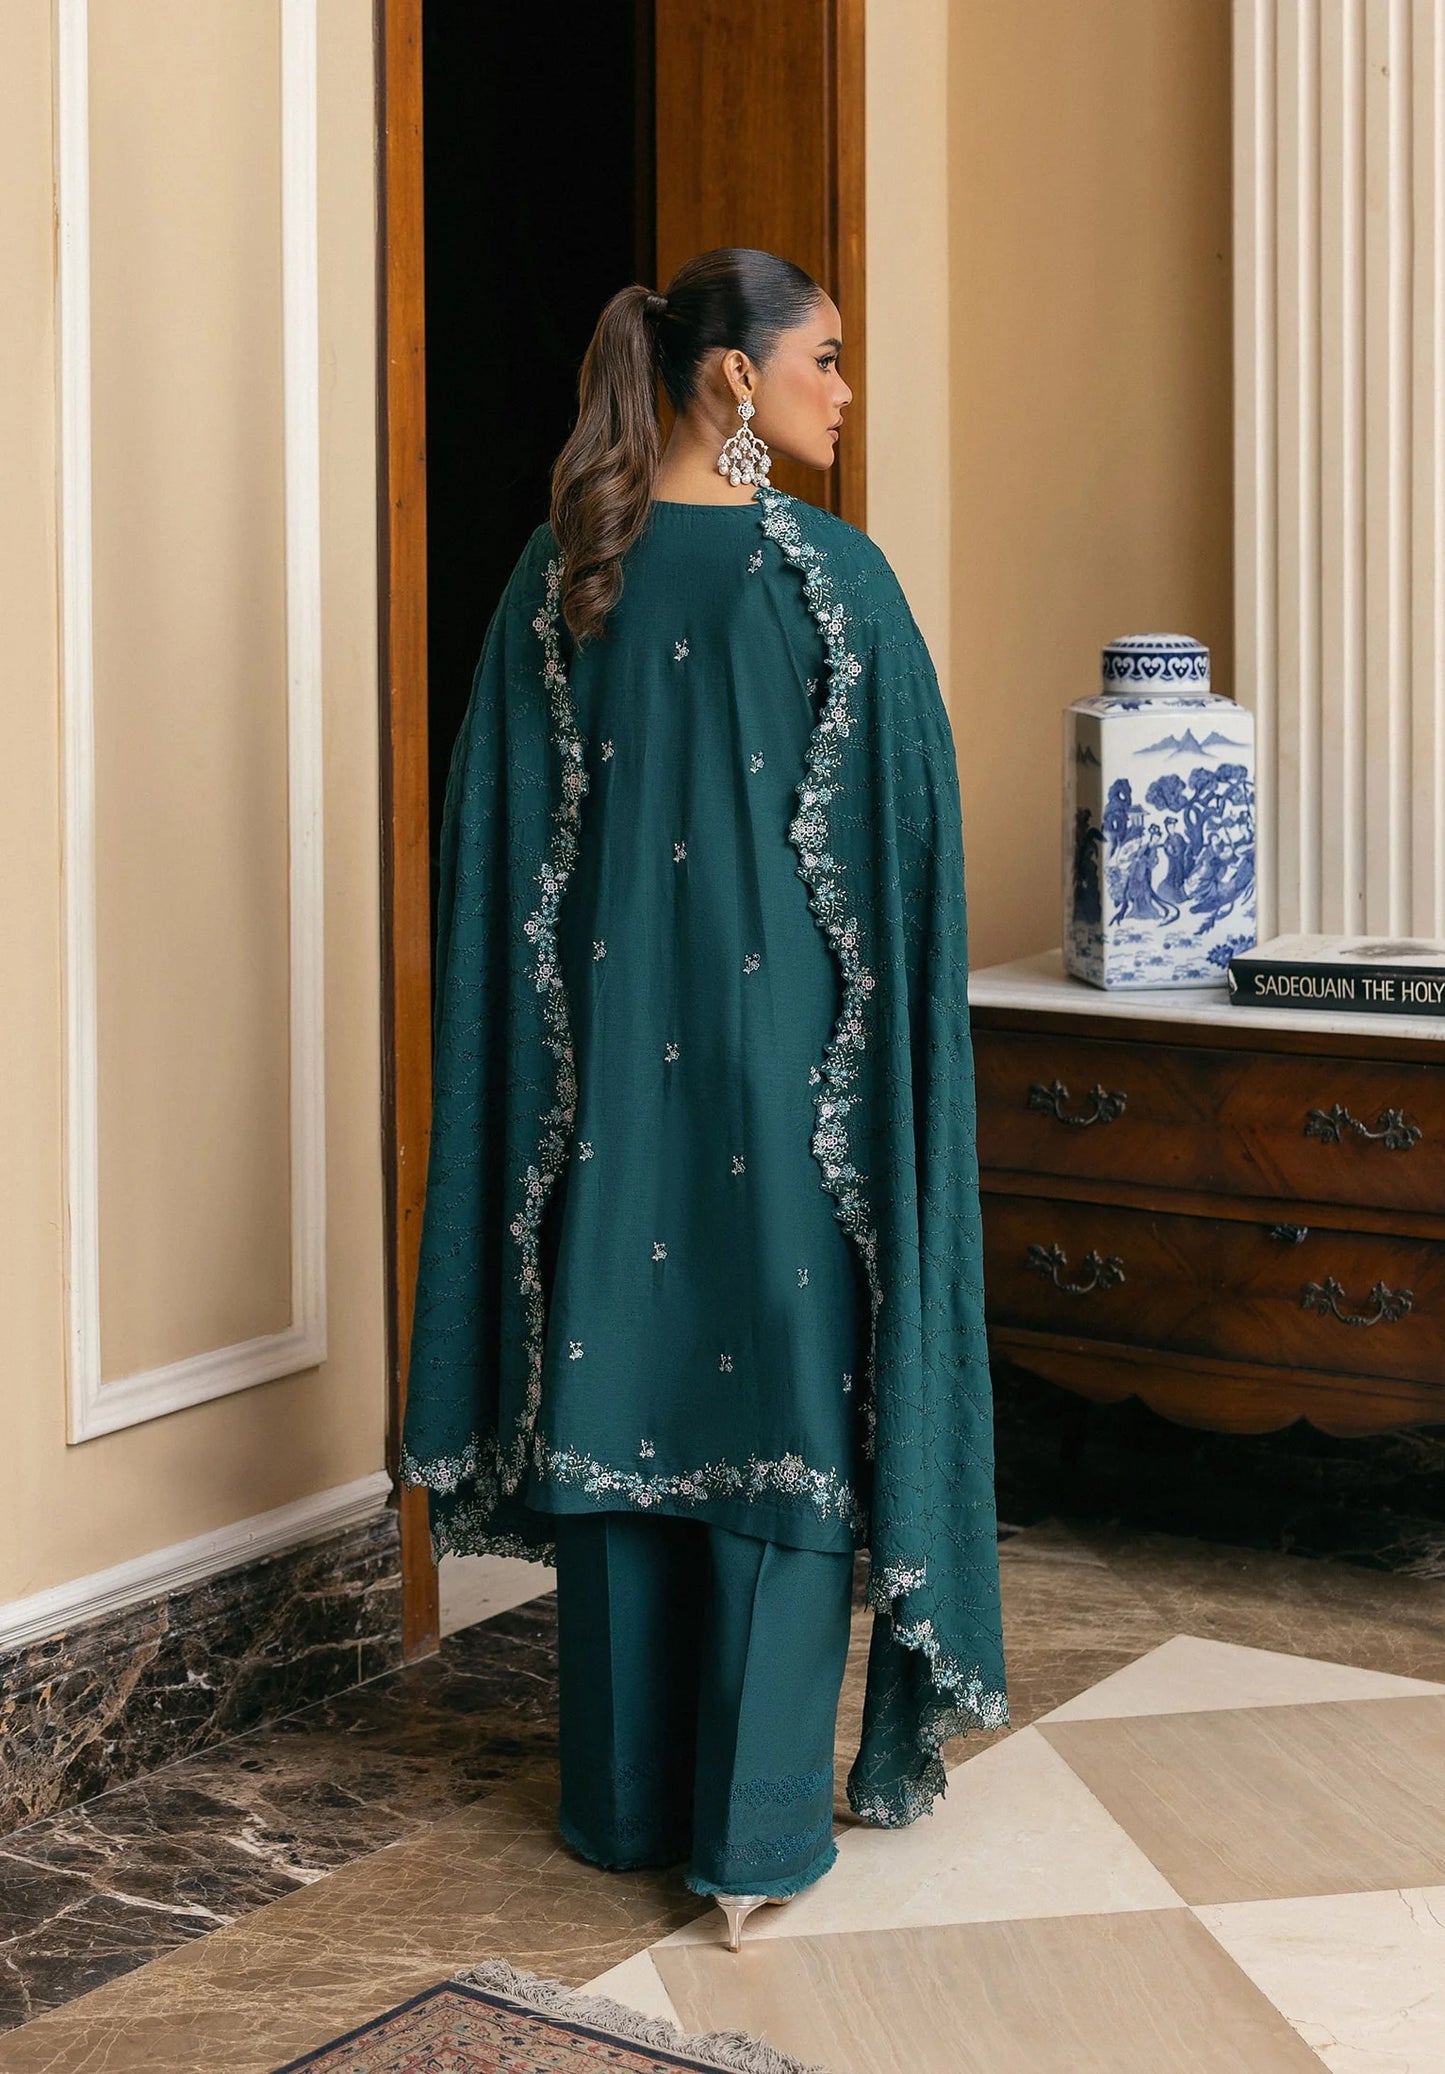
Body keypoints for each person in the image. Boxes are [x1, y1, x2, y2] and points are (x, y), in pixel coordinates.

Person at [399, 247, 1008, 1949]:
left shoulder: (556, 575)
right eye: (823, 357)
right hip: (794, 1094)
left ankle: (617, 1811)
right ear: (734, 379)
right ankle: (747, 1847)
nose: (841, 389)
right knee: (786, 1428)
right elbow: (911, 874)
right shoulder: (831, 582)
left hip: (603, 1097)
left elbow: (490, 866)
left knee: (624, 1386)